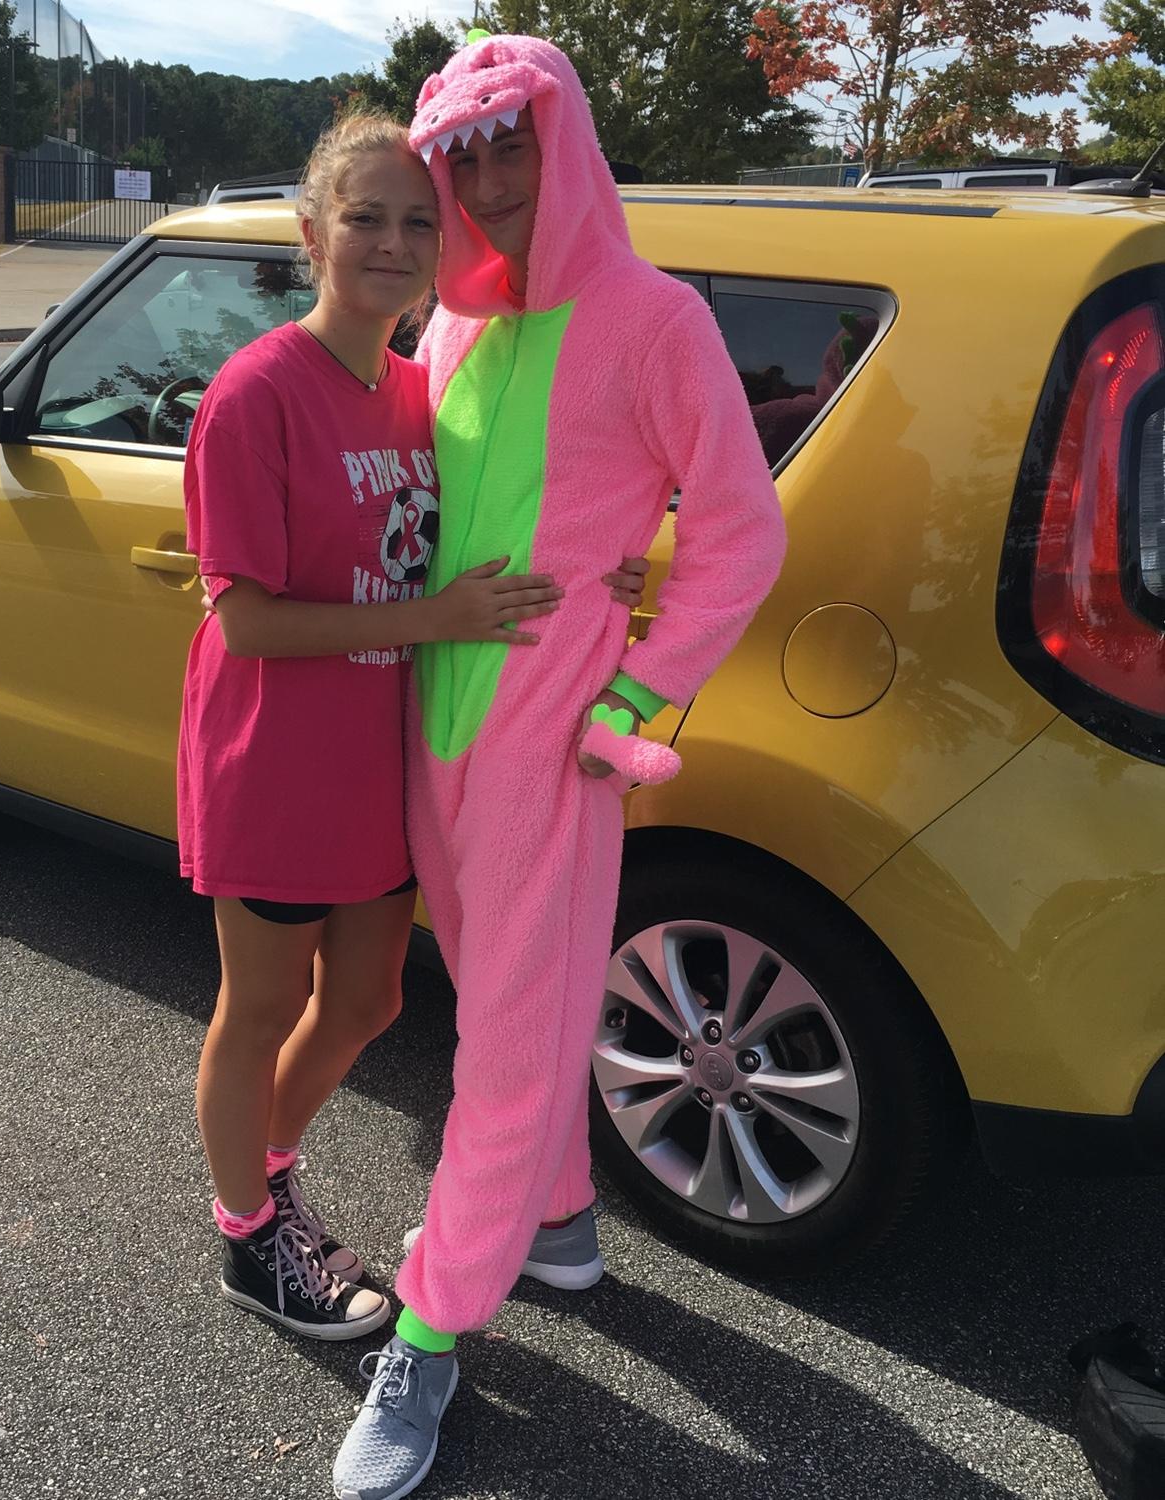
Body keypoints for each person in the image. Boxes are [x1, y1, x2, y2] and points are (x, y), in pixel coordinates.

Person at [333, 34, 789, 1500]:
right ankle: (564, 1224)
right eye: (459, 154)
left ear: (565, 139)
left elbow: (742, 530)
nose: (483, 180)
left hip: (554, 734)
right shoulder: (453, 325)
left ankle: (430, 1328)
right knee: (496, 1001)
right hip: (440, 713)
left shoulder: (656, 318)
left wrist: (635, 690)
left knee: (508, 1040)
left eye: (509, 143)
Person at [178, 110, 649, 1342]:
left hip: (382, 759)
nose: (391, 243)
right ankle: (248, 1235)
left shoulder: (419, 389)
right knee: (261, 1006)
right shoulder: (256, 393)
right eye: (364, 219)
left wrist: (613, 564)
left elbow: (518, 505)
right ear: (312, 235)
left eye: (415, 222)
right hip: (275, 758)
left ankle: (266, 1170)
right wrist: (436, 617)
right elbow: (246, 621)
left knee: (371, 1001)